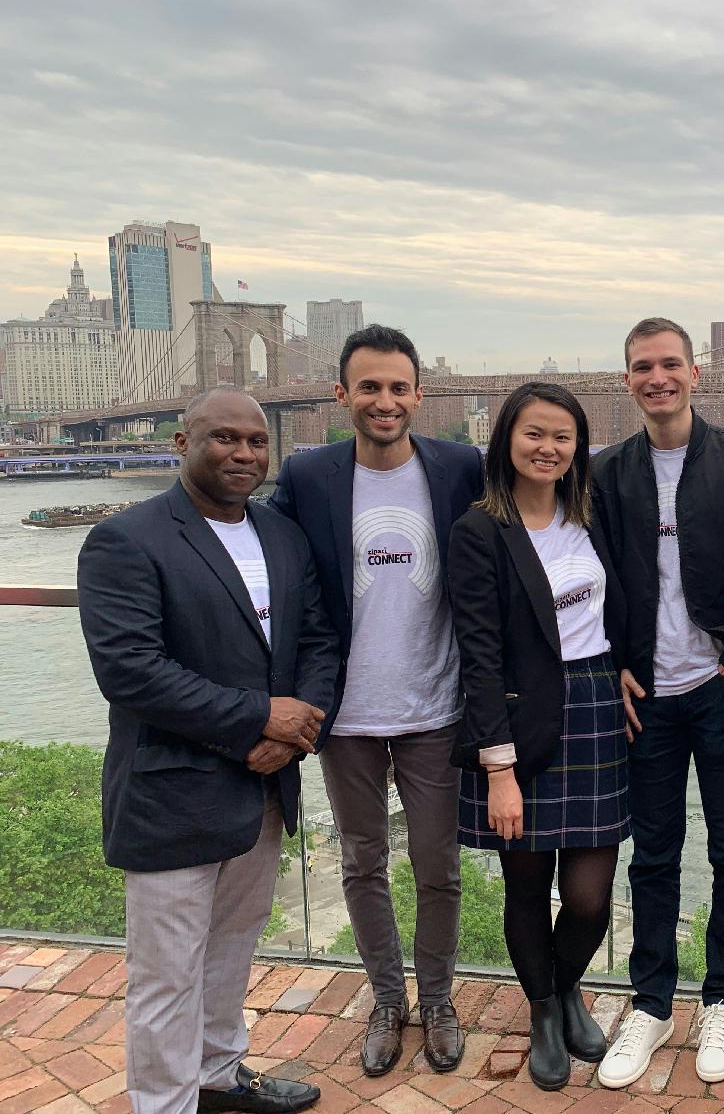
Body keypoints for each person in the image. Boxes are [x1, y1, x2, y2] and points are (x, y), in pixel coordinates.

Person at [78, 389, 340, 1114]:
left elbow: (318, 641)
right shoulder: (127, 538)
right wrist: (259, 717)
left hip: (262, 787)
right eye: (224, 438)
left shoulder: (282, 535)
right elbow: (130, 669)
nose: (245, 453)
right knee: (165, 974)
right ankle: (165, 1103)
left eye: (257, 441)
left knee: (230, 952)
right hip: (173, 792)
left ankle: (219, 1076)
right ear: (181, 441)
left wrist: (295, 733)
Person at [269, 325, 483, 1076]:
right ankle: (387, 998)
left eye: (398, 387)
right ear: (342, 395)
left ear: (419, 395)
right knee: (362, 863)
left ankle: (440, 997)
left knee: (438, 867)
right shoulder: (308, 475)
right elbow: (282, 586)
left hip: (436, 706)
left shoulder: (461, 466)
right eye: (369, 386)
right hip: (343, 713)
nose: (384, 400)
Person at [591, 317, 724, 1088]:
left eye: (671, 364)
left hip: (723, 689)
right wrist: (612, 669)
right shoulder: (606, 473)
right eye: (643, 366)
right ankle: (653, 999)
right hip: (648, 693)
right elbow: (589, 580)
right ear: (627, 379)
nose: (657, 377)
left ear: (695, 374)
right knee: (655, 852)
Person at [447, 383, 633, 1090]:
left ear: (577, 447)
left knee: (588, 894)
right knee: (527, 883)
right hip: (519, 723)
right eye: (534, 433)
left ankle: (565, 983)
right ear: (507, 440)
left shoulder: (591, 514)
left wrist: (624, 670)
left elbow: (628, 601)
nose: (548, 447)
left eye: (563, 435)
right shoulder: (479, 530)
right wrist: (499, 769)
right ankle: (545, 1010)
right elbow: (479, 654)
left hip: (593, 705)